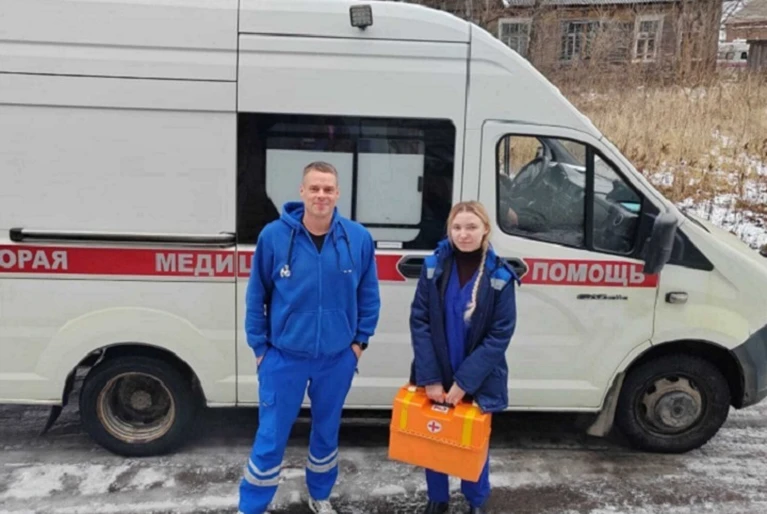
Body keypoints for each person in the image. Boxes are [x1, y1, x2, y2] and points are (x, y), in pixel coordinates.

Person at [239, 161, 381, 514]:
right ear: (302, 191)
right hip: (282, 357)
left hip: (337, 358)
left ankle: (320, 495)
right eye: (314, 188)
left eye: (328, 189)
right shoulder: (273, 236)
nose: (321, 195)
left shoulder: (357, 238)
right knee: (271, 436)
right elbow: (256, 296)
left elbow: (369, 295)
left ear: (338, 193)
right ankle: (251, 506)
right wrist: (260, 349)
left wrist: (359, 344)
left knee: (326, 433)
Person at [409, 201, 519, 514]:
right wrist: (430, 378)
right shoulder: (434, 267)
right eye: (457, 227)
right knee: (434, 435)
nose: (464, 234)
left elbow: (499, 335)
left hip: (477, 376)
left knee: (473, 442)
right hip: (438, 369)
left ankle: (475, 501)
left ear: (485, 229)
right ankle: (437, 498)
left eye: (471, 227)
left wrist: (464, 383)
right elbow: (420, 321)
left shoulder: (499, 276)